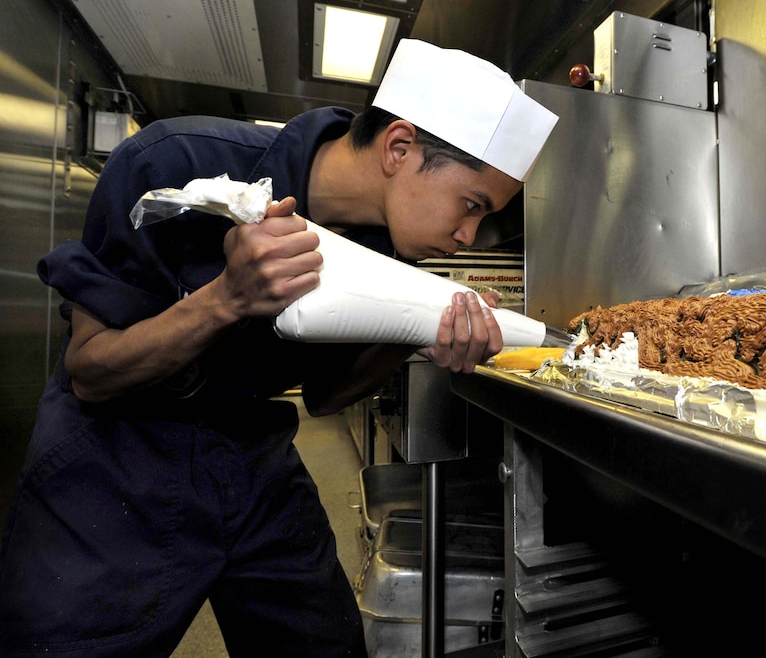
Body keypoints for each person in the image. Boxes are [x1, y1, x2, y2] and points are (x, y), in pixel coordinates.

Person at [0, 39, 557, 657]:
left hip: (251, 452)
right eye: (471, 206)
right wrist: (225, 298)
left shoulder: (387, 248)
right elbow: (90, 374)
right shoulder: (173, 161)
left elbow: (324, 396)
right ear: (400, 148)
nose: (466, 237)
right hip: (118, 453)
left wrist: (415, 335)